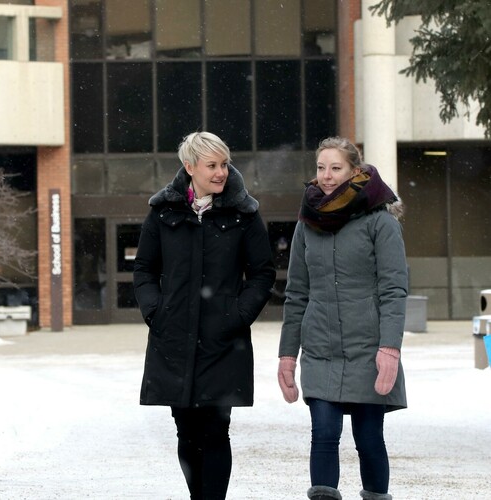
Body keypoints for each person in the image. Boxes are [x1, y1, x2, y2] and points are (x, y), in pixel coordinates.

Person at [133, 131, 276, 499]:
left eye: (224, 164)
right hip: (173, 339)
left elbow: (262, 274)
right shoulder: (163, 212)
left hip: (223, 340)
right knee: (186, 430)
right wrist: (156, 311)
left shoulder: (243, 213)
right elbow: (144, 270)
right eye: (212, 165)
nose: (221, 172)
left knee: (215, 429)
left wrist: (237, 315)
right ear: (190, 167)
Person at [277, 137, 408, 500]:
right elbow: (296, 294)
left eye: (336, 168)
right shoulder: (307, 222)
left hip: (369, 348)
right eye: (321, 168)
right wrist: (287, 356)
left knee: (368, 439)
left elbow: (394, 290)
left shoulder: (380, 221)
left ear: (354, 171)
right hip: (320, 347)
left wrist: (389, 348)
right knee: (323, 434)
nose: (327, 176)